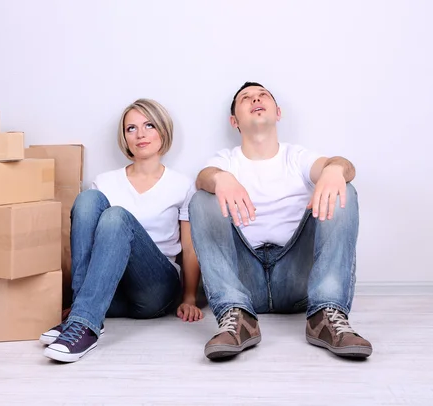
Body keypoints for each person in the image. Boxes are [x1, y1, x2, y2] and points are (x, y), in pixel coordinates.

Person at [189, 81, 373, 361]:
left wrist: (335, 169)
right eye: (246, 98)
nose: (256, 99)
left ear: (278, 112)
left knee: (342, 188)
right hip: (245, 281)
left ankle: (326, 314)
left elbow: (341, 166)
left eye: (263, 95)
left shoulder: (296, 157)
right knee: (202, 198)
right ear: (234, 121)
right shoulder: (225, 161)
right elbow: (204, 176)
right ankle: (236, 316)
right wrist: (219, 178)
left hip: (296, 278)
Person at [41, 98, 203, 363]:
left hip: (155, 291)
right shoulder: (105, 182)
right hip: (110, 294)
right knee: (87, 200)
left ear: (163, 130)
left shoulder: (181, 184)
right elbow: (85, 239)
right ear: (124, 138)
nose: (140, 134)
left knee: (117, 217)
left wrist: (189, 297)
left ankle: (83, 322)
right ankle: (82, 315)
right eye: (131, 128)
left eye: (149, 125)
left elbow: (189, 246)